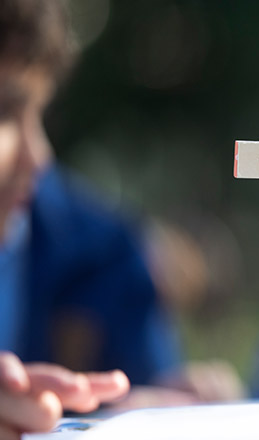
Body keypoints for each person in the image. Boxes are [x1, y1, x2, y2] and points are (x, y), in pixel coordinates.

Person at [0, 0, 187, 436]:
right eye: (6, 113)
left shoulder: (104, 257)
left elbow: (147, 395)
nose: (37, 156)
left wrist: (168, 415)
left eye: (39, 113)